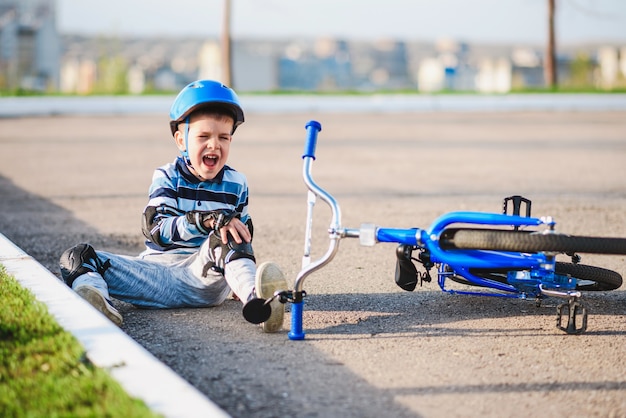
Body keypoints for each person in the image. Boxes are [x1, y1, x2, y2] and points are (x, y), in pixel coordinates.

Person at [59, 79, 287, 332]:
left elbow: (241, 238)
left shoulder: (237, 183)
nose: (215, 145)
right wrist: (205, 219)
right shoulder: (167, 176)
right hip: (155, 276)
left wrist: (238, 279)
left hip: (204, 280)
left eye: (224, 137)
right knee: (77, 257)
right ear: (181, 140)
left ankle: (260, 303)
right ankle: (94, 302)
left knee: (228, 234)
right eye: (204, 136)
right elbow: (157, 231)